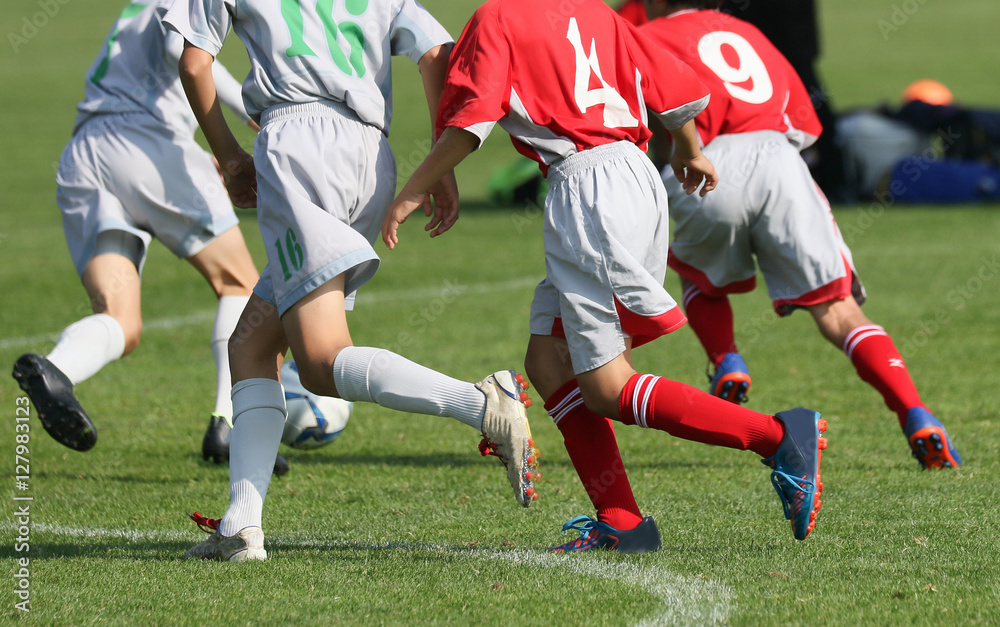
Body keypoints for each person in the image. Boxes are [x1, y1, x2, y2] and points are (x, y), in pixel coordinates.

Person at [382, 0, 828, 552]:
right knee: (548, 362)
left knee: (607, 386)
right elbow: (673, 88)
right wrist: (689, 149)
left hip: (588, 189)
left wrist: (416, 186)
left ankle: (777, 437)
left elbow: (471, 122)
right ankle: (621, 520)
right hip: (635, 175)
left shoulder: (498, 17)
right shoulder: (600, 12)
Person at [164, 0, 539, 562]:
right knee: (252, 346)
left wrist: (231, 158)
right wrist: (441, 160)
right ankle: (241, 525)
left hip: (297, 146)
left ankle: (481, 402)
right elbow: (435, 53)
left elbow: (194, 63)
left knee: (320, 361)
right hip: (370, 153)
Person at [641, 1, 960, 469]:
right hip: (779, 157)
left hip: (706, 162)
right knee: (839, 310)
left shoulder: (645, 37)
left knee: (698, 274)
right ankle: (915, 412)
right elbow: (805, 121)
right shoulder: (746, 31)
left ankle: (727, 360)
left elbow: (644, 119)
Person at [10, 0, 290, 476]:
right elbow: (183, 50)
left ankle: (56, 370)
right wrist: (249, 112)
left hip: (86, 153)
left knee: (121, 320)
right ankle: (229, 424)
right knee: (240, 283)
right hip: (146, 145)